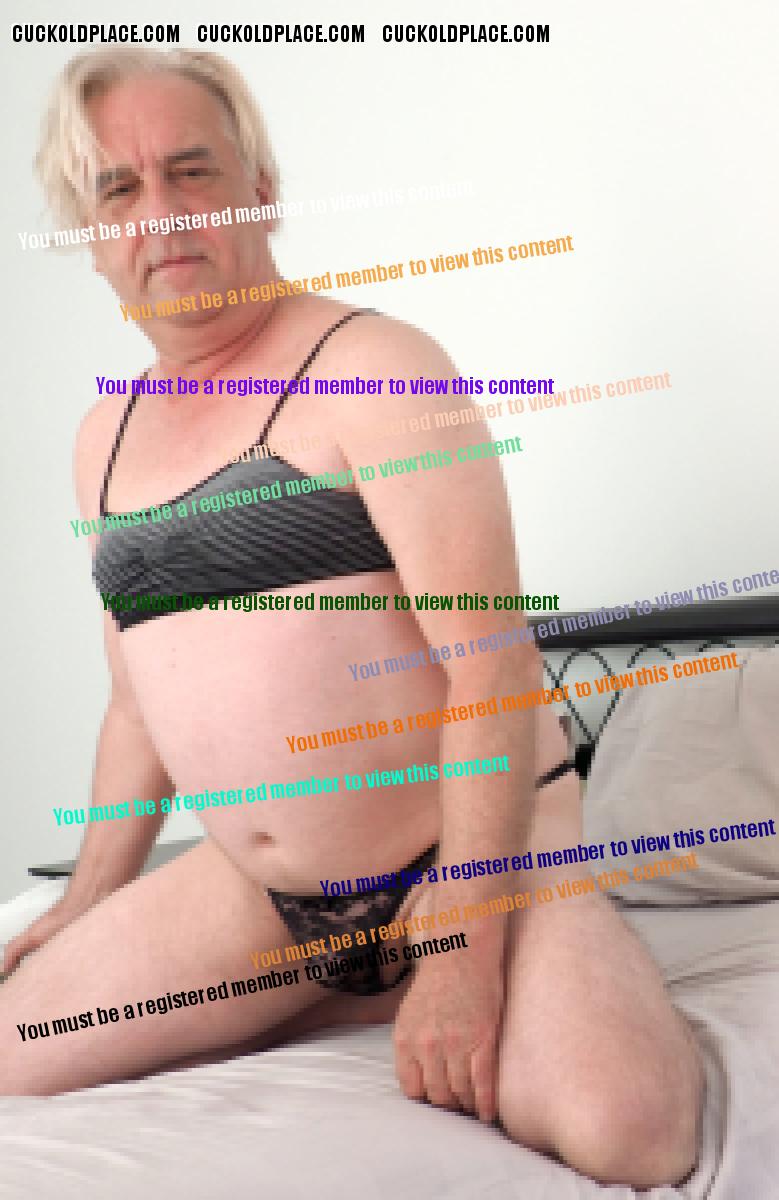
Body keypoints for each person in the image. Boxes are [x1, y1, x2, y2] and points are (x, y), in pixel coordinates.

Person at [0, 48, 702, 1188]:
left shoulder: (374, 367)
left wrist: (465, 949)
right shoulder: (103, 440)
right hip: (262, 899)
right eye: (119, 189)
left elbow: (491, 669)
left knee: (631, 1132)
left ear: (260, 187)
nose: (162, 214)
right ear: (89, 230)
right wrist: (84, 902)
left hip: (470, 856)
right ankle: (330, 990)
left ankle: (540, 940)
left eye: (192, 171)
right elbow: (134, 706)